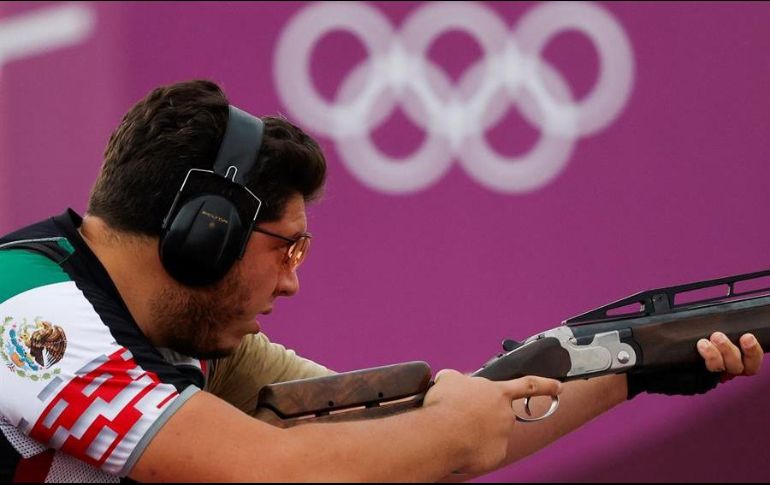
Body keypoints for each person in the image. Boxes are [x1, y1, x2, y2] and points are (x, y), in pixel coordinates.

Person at [0, 80, 762, 483]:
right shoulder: (28, 315)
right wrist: (445, 431)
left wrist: (635, 369)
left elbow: (382, 448)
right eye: (288, 247)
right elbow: (275, 472)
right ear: (209, 230)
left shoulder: (194, 338)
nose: (293, 283)